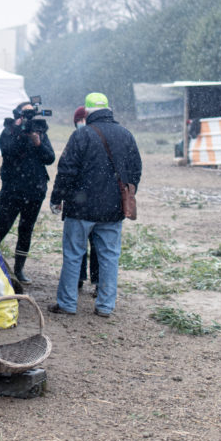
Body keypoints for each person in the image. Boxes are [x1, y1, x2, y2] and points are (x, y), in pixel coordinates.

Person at [48, 93, 141, 316]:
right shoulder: (126, 135)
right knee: (109, 257)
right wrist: (123, 193)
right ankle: (105, 306)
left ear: (87, 112)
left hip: (80, 209)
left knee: (73, 255)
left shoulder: (82, 135)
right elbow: (136, 170)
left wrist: (56, 198)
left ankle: (68, 304)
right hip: (113, 209)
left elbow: (66, 171)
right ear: (108, 109)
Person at [0, 100, 56, 284]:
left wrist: (38, 143)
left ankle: (19, 269)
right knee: (2, 227)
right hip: (12, 191)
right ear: (17, 115)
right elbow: (7, 151)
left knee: (26, 230)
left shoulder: (39, 132)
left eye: (31, 114)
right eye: (25, 114)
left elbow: (50, 158)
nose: (29, 118)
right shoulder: (9, 131)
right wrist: (19, 133)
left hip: (34, 192)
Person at [72, 106, 100, 296]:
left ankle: (96, 280)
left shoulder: (95, 138)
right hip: (86, 201)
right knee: (81, 244)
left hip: (91, 201)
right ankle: (80, 277)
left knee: (93, 244)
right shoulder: (77, 139)